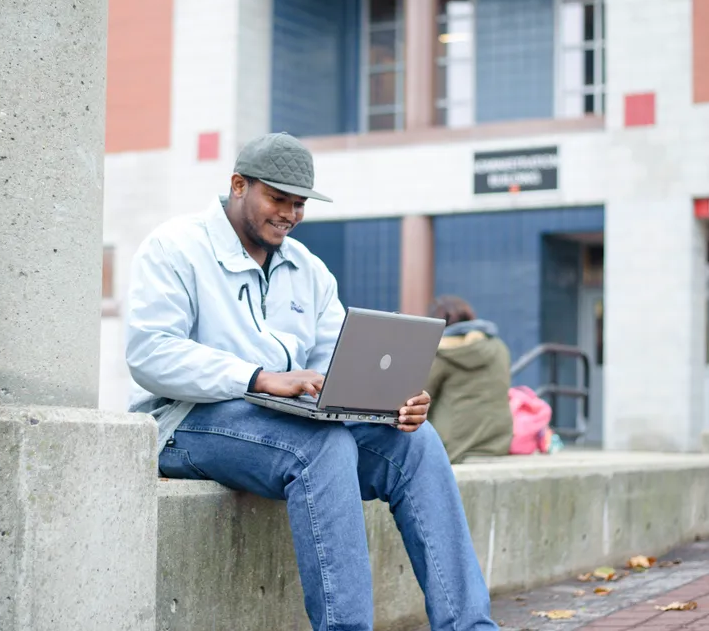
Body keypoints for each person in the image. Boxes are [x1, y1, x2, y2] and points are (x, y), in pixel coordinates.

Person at [125, 132, 500, 631]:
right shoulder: (175, 247)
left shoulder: (310, 270)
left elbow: (334, 372)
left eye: (298, 203)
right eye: (277, 199)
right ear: (238, 185)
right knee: (322, 447)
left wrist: (389, 403)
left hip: (283, 426)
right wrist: (258, 379)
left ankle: (469, 626)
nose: (289, 214)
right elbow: (150, 354)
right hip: (185, 423)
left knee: (416, 443)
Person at [425, 296, 514, 464]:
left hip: (454, 447)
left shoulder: (441, 352)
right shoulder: (498, 346)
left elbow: (418, 396)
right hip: (499, 443)